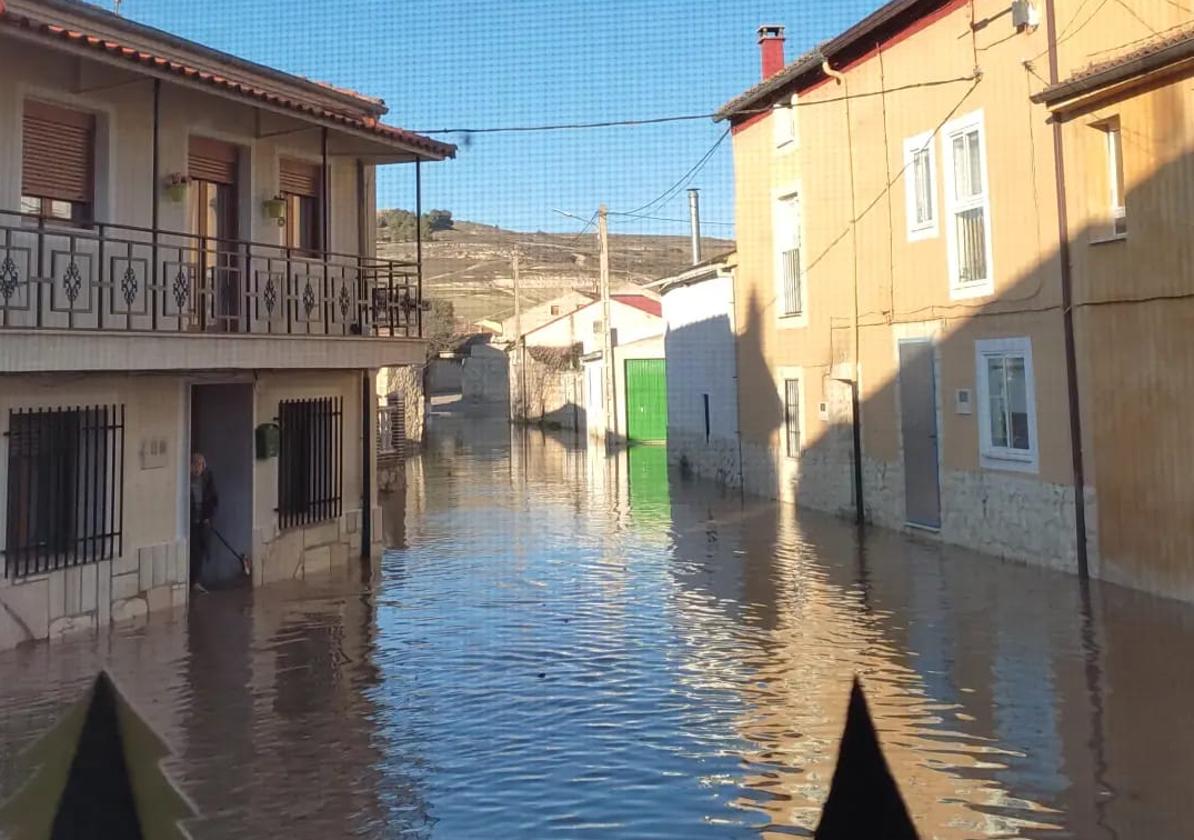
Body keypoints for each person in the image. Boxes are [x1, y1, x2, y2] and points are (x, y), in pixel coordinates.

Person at [189, 453, 218, 594]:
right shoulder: (187, 479)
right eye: (195, 464)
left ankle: (196, 581)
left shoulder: (207, 478)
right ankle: (192, 581)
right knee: (193, 550)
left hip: (203, 519)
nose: (197, 467)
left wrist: (207, 516)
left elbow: (213, 498)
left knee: (201, 550)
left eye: (200, 464)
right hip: (191, 520)